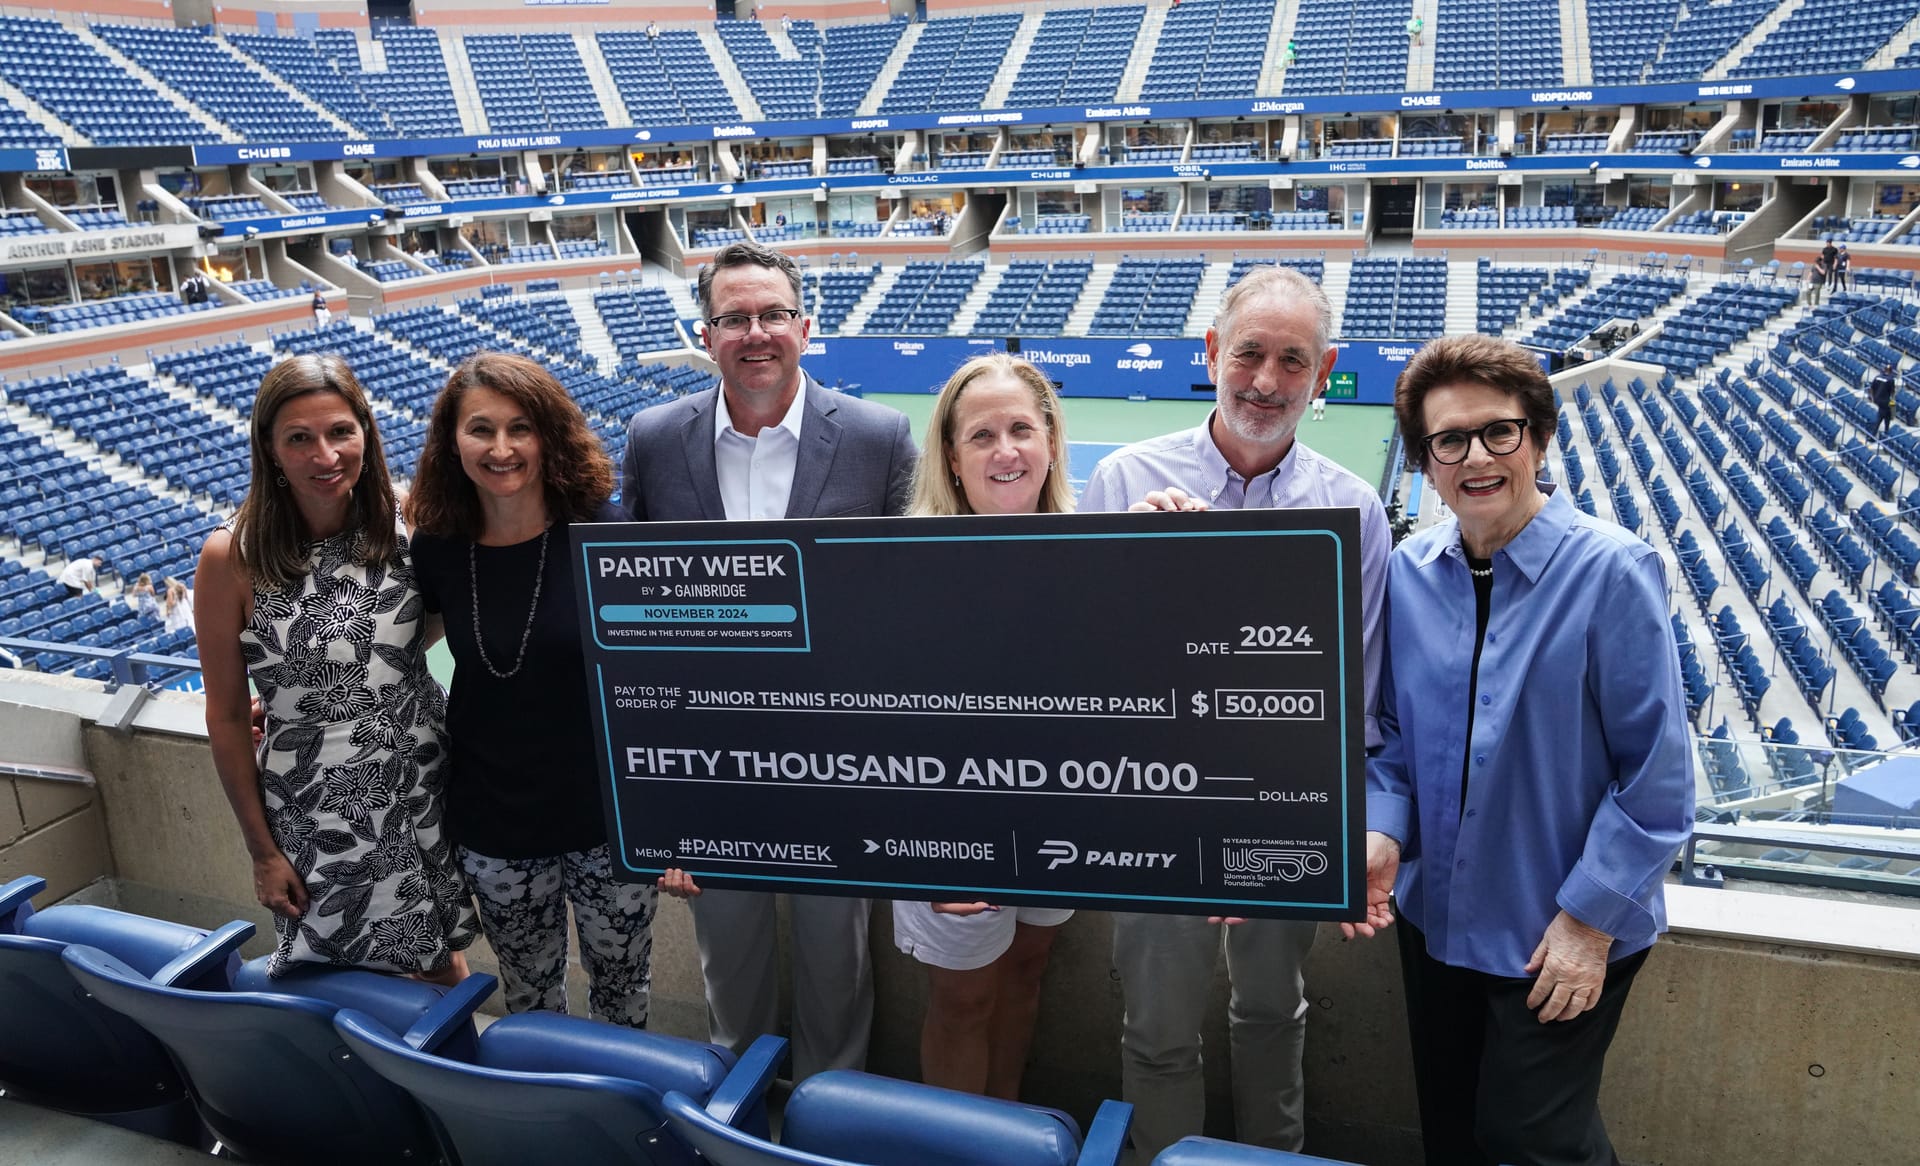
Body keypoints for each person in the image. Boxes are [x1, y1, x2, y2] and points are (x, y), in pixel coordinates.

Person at [1346, 334, 1692, 1166]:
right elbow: (1393, 738)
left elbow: (1659, 780)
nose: (1476, 457)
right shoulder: (1409, 572)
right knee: (1453, 1131)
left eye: (1498, 432)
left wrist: (1588, 921)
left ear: (1537, 437)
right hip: (1437, 920)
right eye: (1448, 441)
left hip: (1560, 927)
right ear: (1427, 462)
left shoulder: (1613, 571)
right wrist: (1385, 832)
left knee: (1536, 1141)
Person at [1079, 265, 1388, 1161]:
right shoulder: (1128, 478)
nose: (1266, 379)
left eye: (1294, 361)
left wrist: (1268, 827)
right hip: (1153, 814)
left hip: (1284, 818)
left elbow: (1352, 698)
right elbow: (1088, 673)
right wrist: (1133, 570)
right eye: (1249, 352)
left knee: (1272, 1017)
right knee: (1157, 1032)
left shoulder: (1356, 508)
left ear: (1322, 372)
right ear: (1211, 352)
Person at [621, 239, 915, 1079]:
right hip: (711, 768)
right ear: (704, 333)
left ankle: (828, 1112)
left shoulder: (878, 437)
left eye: (774, 314)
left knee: (839, 971)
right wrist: (659, 801)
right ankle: (739, 1116)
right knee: (730, 973)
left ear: (805, 326)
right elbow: (627, 630)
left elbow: (910, 613)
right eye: (734, 317)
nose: (756, 333)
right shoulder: (651, 439)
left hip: (842, 761)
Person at [195, 354, 477, 981]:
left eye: (340, 432)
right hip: (313, 800)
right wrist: (261, 852)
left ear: (365, 434)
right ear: (269, 448)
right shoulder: (229, 556)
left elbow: (425, 619)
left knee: (437, 963)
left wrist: (337, 677)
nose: (325, 455)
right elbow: (224, 715)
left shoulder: (408, 522)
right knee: (329, 972)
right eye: (299, 438)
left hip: (418, 777)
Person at [408, 352, 659, 1027]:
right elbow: (399, 647)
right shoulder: (435, 546)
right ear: (450, 440)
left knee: (623, 994)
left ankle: (616, 1127)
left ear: (549, 434)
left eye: (520, 427)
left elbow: (659, 684)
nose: (501, 448)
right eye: (480, 429)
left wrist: (674, 818)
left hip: (609, 826)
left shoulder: (608, 534)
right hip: (495, 825)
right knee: (529, 1001)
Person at [894, 353, 1075, 1099]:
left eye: (1021, 430)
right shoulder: (896, 564)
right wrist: (925, 847)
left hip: (1059, 816)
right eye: (982, 436)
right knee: (963, 998)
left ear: (1051, 443)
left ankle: (1006, 1132)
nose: (1006, 451)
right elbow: (882, 728)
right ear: (951, 456)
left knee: (1027, 972)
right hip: (948, 825)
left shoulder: (1098, 552)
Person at [1872, 363, 1899, 439]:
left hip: (1877, 400)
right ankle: (1875, 435)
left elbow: (1871, 388)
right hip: (1885, 402)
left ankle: (1885, 433)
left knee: (1886, 417)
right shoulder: (1890, 380)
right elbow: (1892, 392)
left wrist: (1873, 398)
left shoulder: (1877, 377)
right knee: (1881, 418)